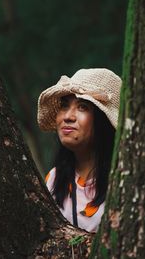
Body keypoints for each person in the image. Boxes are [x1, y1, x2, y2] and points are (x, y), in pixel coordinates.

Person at [37, 68, 122, 233]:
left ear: (103, 120)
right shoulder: (53, 180)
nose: (68, 116)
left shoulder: (124, 178)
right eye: (64, 105)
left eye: (82, 107)